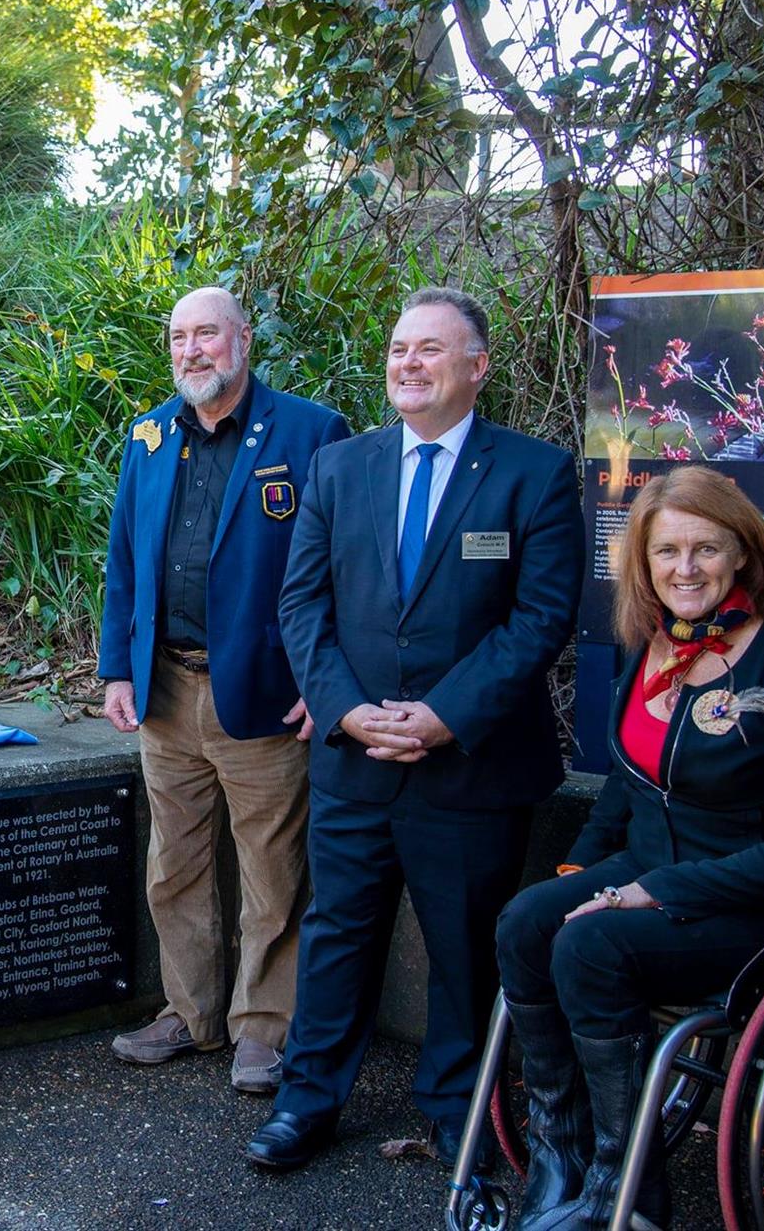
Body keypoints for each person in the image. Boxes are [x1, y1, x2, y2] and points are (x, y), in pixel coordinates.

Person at [250, 287, 584, 1169]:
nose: (408, 363)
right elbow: (302, 603)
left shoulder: (535, 473)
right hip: (355, 760)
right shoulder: (341, 466)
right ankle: (307, 1100)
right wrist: (348, 708)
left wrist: (444, 716)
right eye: (399, 348)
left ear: (477, 368)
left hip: (470, 765)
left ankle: (456, 1108)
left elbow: (541, 618)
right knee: (336, 935)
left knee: (465, 945)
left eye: (431, 350)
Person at [494, 464, 764, 1229]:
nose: (684, 569)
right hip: (649, 864)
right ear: (644, 563)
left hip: (759, 900)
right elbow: (625, 790)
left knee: (589, 947)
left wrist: (653, 892)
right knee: (527, 922)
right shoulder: (649, 653)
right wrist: (577, 874)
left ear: (743, 555)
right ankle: (563, 1145)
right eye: (666, 552)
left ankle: (625, 1187)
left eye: (705, 549)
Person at [97, 286, 349, 1092]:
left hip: (266, 692)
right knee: (172, 866)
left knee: (273, 871)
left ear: (244, 338)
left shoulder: (312, 432)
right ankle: (192, 1013)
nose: (192, 350)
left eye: (208, 332)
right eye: (179, 337)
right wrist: (114, 667)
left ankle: (263, 1029)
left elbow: (347, 569)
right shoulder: (148, 435)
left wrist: (326, 680)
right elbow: (124, 563)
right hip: (164, 686)